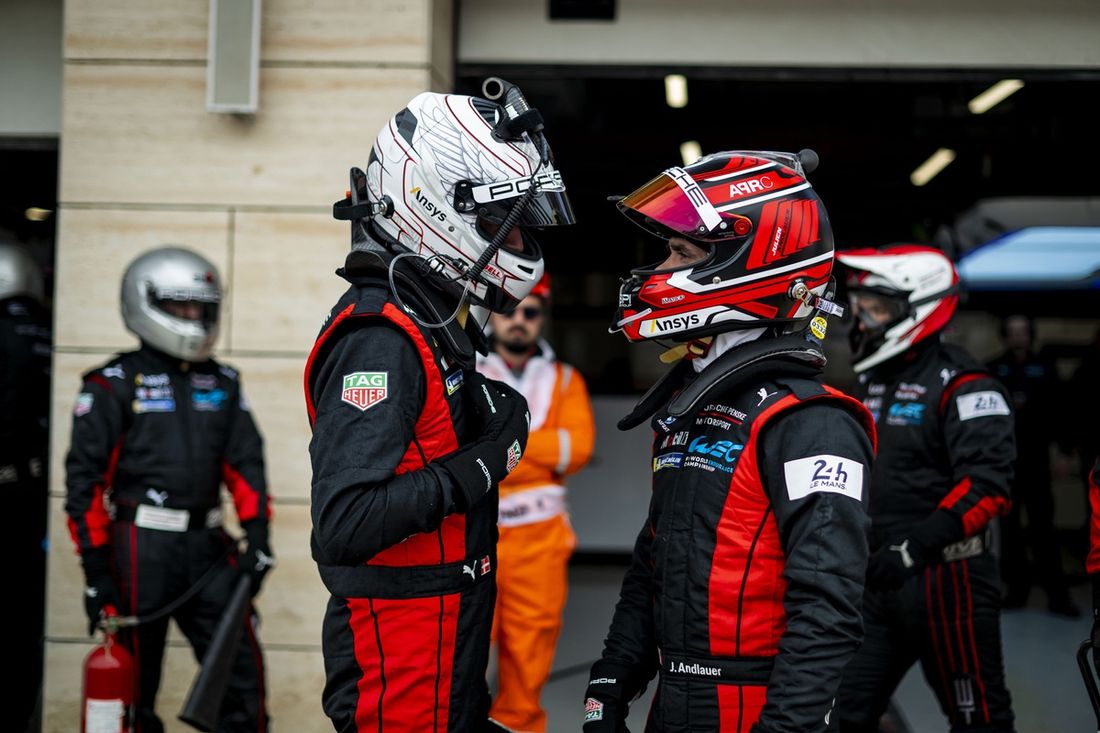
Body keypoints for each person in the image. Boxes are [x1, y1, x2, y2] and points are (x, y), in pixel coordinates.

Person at [304, 80, 576, 733]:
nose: (508, 245)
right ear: (431, 200)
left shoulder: (423, 317)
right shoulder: (380, 336)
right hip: (400, 653)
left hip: (442, 639)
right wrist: (486, 460)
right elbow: (344, 522)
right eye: (493, 224)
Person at [582, 150, 876, 733]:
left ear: (750, 265)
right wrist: (611, 684)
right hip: (674, 704)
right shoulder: (692, 402)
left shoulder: (812, 423)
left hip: (755, 711)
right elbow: (653, 559)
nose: (662, 267)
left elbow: (827, 610)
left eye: (681, 252)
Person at [64, 247, 273, 733]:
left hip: (210, 549)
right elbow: (84, 485)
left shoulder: (223, 382)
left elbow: (245, 463)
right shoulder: (110, 384)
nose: (193, 316)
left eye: (201, 307)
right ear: (146, 303)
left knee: (242, 681)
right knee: (134, 694)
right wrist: (96, 572)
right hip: (139, 551)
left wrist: (258, 535)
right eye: (180, 306)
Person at [835, 245, 1017, 733]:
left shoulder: (967, 385)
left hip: (948, 582)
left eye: (875, 307)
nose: (863, 319)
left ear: (916, 309)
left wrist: (914, 548)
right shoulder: (871, 382)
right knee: (839, 712)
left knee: (979, 718)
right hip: (879, 581)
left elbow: (988, 487)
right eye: (860, 307)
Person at [478, 274, 595, 732]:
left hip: (541, 541)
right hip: (477, 537)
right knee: (462, 644)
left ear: (542, 317)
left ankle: (517, 726)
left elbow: (578, 450)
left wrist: (501, 450)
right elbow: (463, 449)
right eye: (510, 310)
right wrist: (540, 453)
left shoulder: (566, 379)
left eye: (531, 311)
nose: (519, 321)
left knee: (530, 649)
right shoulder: (469, 372)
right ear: (494, 315)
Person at [988, 314, 1078, 615]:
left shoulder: (1045, 367)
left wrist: (1064, 452)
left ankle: (1058, 596)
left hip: (1037, 462)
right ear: (1005, 335)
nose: (1018, 337)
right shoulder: (993, 368)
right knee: (1010, 531)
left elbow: (1061, 411)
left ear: (1030, 335)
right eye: (1012, 332)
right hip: (1005, 464)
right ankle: (1016, 591)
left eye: (1022, 332)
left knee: (1044, 530)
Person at [0, 243, 51, 731]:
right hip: (30, 491)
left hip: (8, 487)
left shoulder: (6, 330)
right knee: (22, 620)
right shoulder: (39, 328)